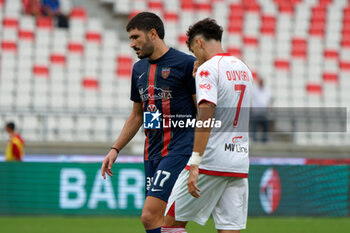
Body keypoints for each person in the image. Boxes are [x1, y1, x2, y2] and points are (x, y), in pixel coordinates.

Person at [101, 12, 197, 233]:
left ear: (153, 34)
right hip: (152, 152)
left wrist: (201, 152)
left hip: (179, 150)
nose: (132, 44)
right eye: (130, 39)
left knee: (149, 216)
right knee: (163, 221)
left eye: (136, 37)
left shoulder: (185, 64)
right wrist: (115, 149)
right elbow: (139, 114)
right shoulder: (139, 70)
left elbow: (203, 111)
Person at [163, 18, 253, 233]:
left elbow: (206, 116)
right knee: (229, 228)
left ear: (199, 43)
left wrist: (195, 163)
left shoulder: (208, 69)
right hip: (238, 161)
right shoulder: (244, 69)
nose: (194, 55)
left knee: (169, 226)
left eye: (193, 49)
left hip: (210, 161)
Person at [251, 78, 272, 143]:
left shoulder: (267, 89)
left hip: (264, 111)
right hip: (256, 111)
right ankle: (254, 139)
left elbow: (271, 98)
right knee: (255, 126)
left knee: (265, 126)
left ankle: (264, 139)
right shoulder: (254, 89)